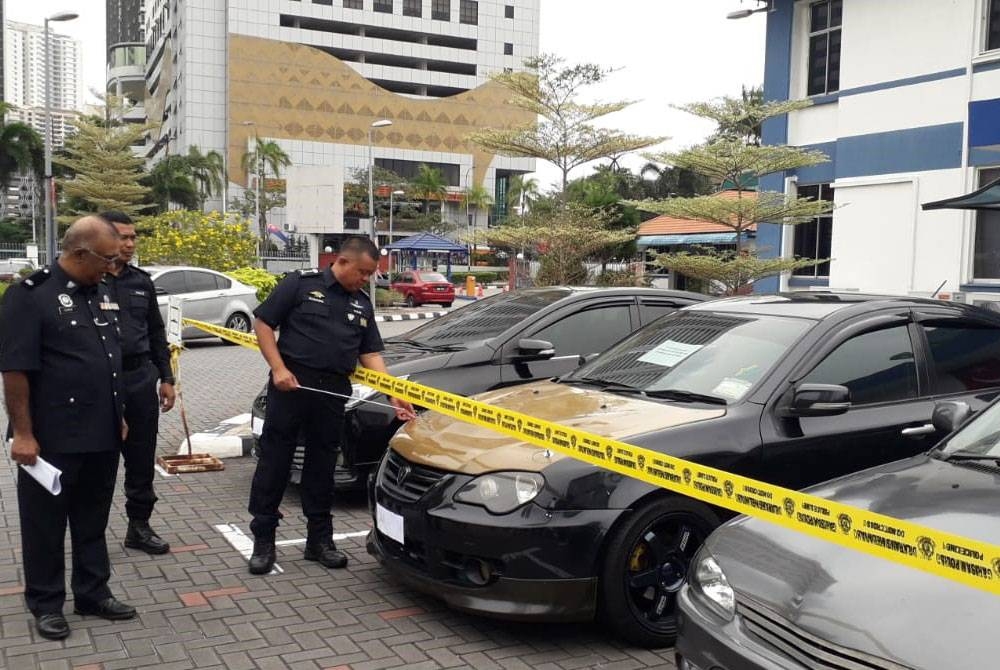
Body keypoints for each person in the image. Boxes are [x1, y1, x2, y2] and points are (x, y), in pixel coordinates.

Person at [0, 217, 136, 641]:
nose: (113, 267)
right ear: (80, 254)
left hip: (102, 431)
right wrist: (23, 433)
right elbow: (15, 370)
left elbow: (108, 360)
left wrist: (119, 414)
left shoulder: (101, 292)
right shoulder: (30, 296)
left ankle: (93, 592)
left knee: (92, 520)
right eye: (107, 259)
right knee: (44, 524)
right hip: (51, 436)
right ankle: (45, 602)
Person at [247, 236, 416, 575]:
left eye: (371, 274)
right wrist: (278, 368)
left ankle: (319, 541)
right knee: (274, 462)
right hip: (291, 385)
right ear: (342, 261)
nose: (366, 279)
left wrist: (394, 391)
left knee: (323, 465)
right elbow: (263, 323)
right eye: (364, 272)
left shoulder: (362, 303)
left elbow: (370, 354)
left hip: (333, 391)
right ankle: (263, 541)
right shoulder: (300, 284)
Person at [100, 211, 176, 555]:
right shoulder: (88, 281)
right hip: (98, 384)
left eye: (133, 238)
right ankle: (91, 530)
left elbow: (156, 332)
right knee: (97, 459)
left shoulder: (140, 282)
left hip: (138, 378)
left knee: (141, 457)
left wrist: (166, 377)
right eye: (122, 237)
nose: (129, 244)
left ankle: (139, 526)